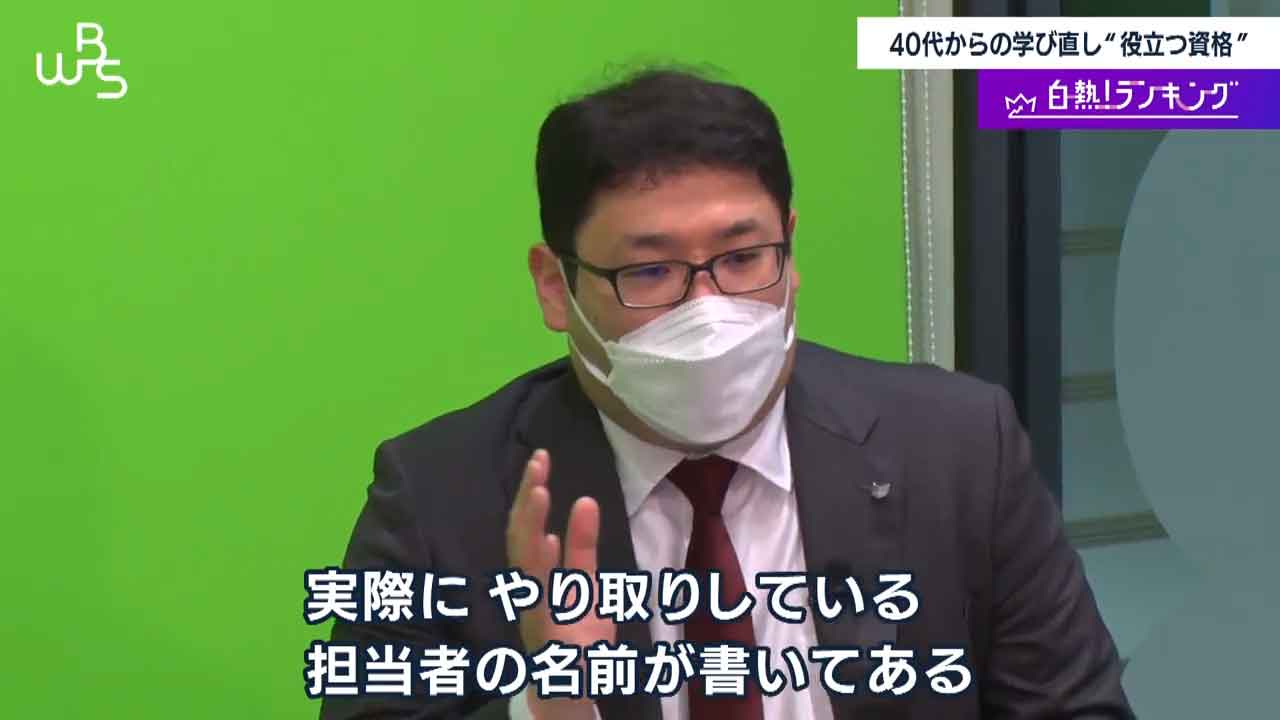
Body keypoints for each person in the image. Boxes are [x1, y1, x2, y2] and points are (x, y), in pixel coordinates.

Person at [319, 67, 1133, 720]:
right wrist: (545, 706)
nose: (708, 311)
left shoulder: (958, 448)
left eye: (744, 259)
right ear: (555, 286)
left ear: (791, 250)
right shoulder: (440, 498)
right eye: (650, 271)